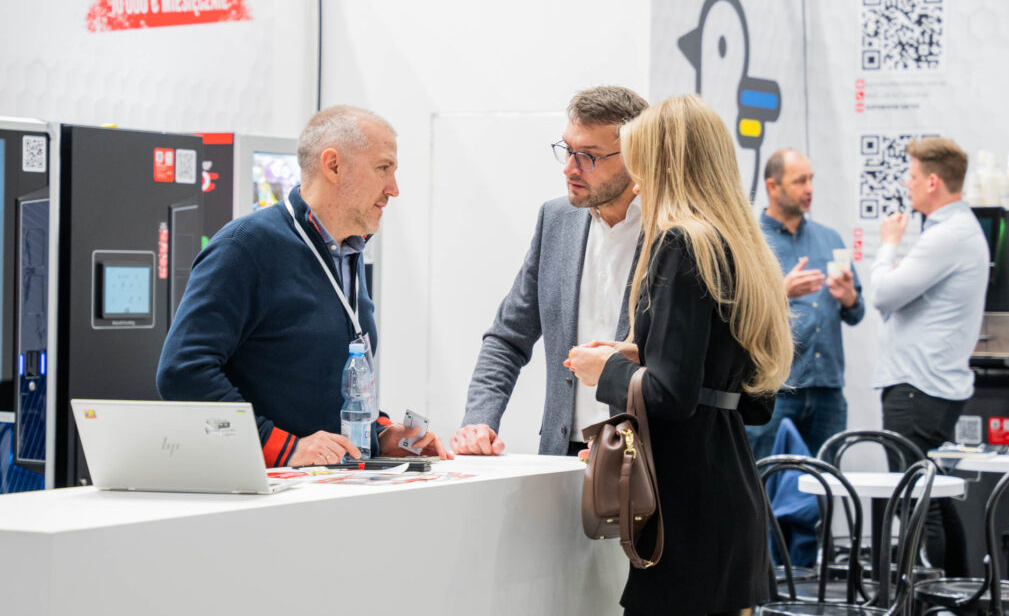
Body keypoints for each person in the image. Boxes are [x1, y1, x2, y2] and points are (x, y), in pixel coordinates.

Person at [567, 95, 792, 615]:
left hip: (685, 509)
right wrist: (647, 351)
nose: (636, 180)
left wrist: (608, 369)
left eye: (641, 162)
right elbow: (755, 400)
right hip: (731, 494)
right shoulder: (741, 248)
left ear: (663, 163)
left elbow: (672, 395)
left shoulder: (680, 243)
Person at [157, 105, 449, 466]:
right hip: (264, 488)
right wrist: (282, 447)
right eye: (383, 168)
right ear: (333, 165)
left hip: (330, 485)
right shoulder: (245, 247)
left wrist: (379, 434)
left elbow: (316, 387)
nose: (394, 189)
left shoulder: (349, 252)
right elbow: (183, 373)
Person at [450, 86, 649, 457]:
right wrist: (479, 420)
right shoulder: (557, 220)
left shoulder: (671, 232)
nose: (569, 168)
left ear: (636, 156)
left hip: (642, 454)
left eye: (588, 156)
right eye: (567, 150)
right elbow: (508, 337)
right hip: (563, 451)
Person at [872, 136, 987, 574]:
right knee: (935, 496)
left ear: (933, 182)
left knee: (918, 501)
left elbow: (884, 294)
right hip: (928, 387)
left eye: (913, 176)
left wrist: (888, 244)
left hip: (916, 389)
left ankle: (929, 596)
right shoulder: (957, 231)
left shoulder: (948, 236)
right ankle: (956, 593)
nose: (908, 184)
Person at [745, 149, 865, 459]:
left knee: (825, 481)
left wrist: (849, 298)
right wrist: (781, 293)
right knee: (767, 479)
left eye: (811, 179)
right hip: (774, 390)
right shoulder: (750, 241)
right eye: (800, 181)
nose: (809, 188)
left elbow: (857, 312)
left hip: (828, 391)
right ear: (773, 187)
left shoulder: (830, 239)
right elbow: (735, 313)